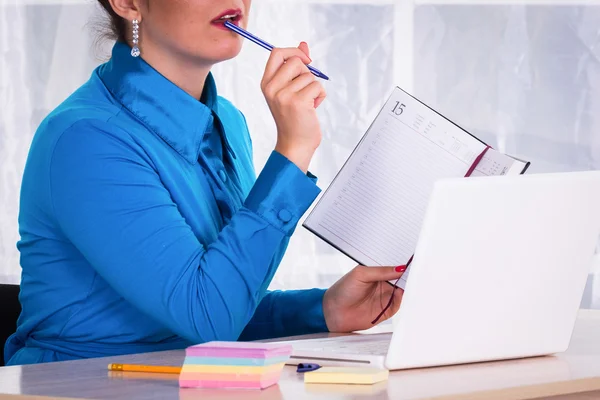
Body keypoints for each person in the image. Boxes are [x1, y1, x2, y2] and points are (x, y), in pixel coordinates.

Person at [4, 0, 406, 366]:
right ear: (127, 3)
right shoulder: (86, 139)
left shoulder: (227, 121)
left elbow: (219, 307)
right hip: (75, 388)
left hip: (188, 381)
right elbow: (208, 314)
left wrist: (324, 310)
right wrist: (293, 150)